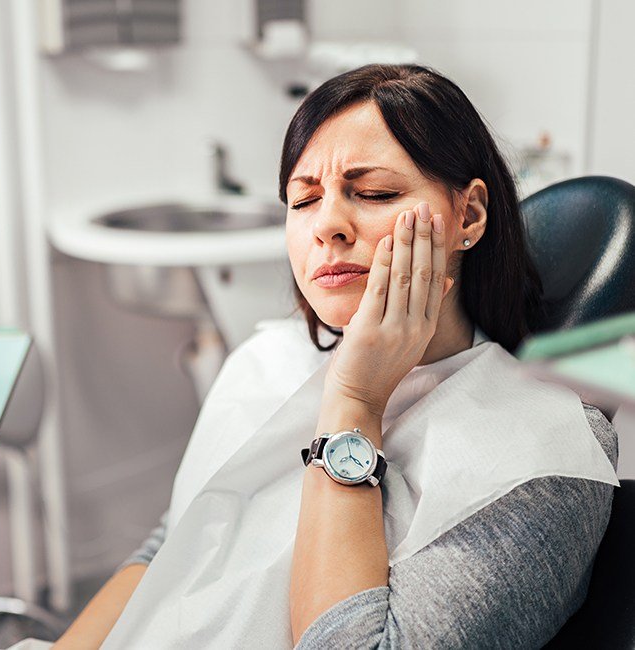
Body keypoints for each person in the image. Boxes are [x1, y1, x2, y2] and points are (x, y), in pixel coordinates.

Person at [51, 64, 618, 649]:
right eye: (303, 201)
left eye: (374, 194)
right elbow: (173, 548)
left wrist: (355, 401)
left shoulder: (544, 453)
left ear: (468, 216)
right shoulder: (267, 360)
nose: (328, 227)